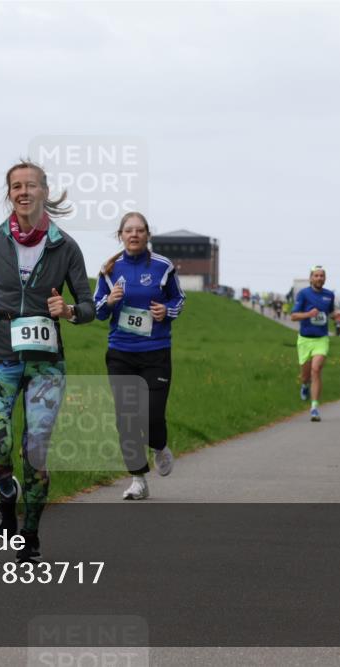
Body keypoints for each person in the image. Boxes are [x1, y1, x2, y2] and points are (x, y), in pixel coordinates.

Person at [0, 161, 95, 561]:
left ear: (45, 191)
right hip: (0, 353)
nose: (24, 192)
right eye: (16, 186)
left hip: (46, 362)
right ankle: (7, 489)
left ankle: (30, 534)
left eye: (31, 185)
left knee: (36, 449)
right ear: (10, 194)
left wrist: (68, 310)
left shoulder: (65, 246)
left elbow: (89, 305)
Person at [95, 212, 185, 500]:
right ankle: (137, 479)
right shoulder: (109, 269)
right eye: (128, 230)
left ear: (148, 235)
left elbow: (178, 299)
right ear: (120, 235)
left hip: (155, 352)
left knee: (152, 414)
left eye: (139, 230)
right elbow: (98, 310)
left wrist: (166, 312)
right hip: (121, 353)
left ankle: (159, 446)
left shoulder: (163, 267)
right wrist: (109, 302)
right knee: (126, 418)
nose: (134, 235)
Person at [291, 266, 335, 421]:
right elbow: (294, 316)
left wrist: (337, 317)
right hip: (304, 339)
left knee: (316, 370)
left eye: (322, 275)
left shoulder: (329, 295)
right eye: (316, 275)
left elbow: (330, 312)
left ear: (325, 278)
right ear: (311, 278)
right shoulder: (303, 294)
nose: (319, 278)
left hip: (321, 339)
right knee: (305, 376)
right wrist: (308, 314)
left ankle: (314, 407)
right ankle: (304, 385)